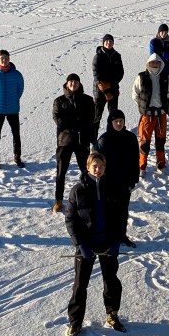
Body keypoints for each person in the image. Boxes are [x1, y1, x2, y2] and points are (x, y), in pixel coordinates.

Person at [64, 151, 128, 336]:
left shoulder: (113, 188)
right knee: (80, 285)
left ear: (105, 167)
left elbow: (120, 217)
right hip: (86, 244)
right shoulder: (78, 190)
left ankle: (112, 314)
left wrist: (116, 241)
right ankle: (75, 322)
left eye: (101, 166)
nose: (98, 169)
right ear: (87, 167)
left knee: (111, 282)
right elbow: (70, 220)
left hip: (108, 243)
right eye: (94, 166)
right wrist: (81, 244)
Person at [51, 73, 96, 212]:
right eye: (71, 82)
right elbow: (57, 118)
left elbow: (91, 118)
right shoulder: (59, 101)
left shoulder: (88, 100)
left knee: (86, 170)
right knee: (61, 172)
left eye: (76, 82)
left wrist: (79, 126)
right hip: (65, 141)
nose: (73, 84)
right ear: (66, 84)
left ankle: (90, 197)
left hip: (82, 140)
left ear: (79, 84)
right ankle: (58, 200)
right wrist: (73, 125)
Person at [96, 109, 141, 246]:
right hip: (109, 183)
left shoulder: (130, 138)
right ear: (111, 123)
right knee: (109, 211)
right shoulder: (104, 140)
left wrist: (134, 179)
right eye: (116, 121)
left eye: (121, 121)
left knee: (123, 211)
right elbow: (98, 162)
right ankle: (109, 237)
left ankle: (122, 235)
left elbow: (136, 159)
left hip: (125, 182)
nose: (119, 124)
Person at [0, 49, 25, 169]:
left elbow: (20, 89)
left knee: (16, 134)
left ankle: (17, 156)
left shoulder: (17, 74)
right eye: (2, 58)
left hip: (13, 108)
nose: (4, 60)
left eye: (6, 58)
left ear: (9, 59)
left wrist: (14, 99)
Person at [132, 53, 169, 171]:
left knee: (161, 141)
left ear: (160, 63)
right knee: (144, 142)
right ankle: (142, 166)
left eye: (157, 62)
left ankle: (161, 164)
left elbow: (168, 94)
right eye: (152, 62)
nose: (155, 64)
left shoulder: (166, 77)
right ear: (148, 63)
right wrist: (143, 106)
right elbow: (135, 94)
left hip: (161, 114)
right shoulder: (141, 77)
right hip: (147, 115)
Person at [149, 23, 169, 127]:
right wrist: (165, 56)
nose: (163, 33)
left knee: (168, 96)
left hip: (168, 72)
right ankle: (157, 119)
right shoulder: (154, 42)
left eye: (165, 32)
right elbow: (153, 55)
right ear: (158, 32)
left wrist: (162, 54)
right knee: (156, 95)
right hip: (156, 72)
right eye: (162, 31)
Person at [92, 33, 124, 132]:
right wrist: (105, 91)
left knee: (113, 116)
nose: (108, 43)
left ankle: (112, 136)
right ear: (103, 43)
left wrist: (111, 84)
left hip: (113, 89)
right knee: (96, 116)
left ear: (113, 43)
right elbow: (96, 75)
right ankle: (93, 138)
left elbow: (120, 73)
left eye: (110, 41)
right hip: (100, 91)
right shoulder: (98, 57)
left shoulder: (117, 56)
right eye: (106, 41)